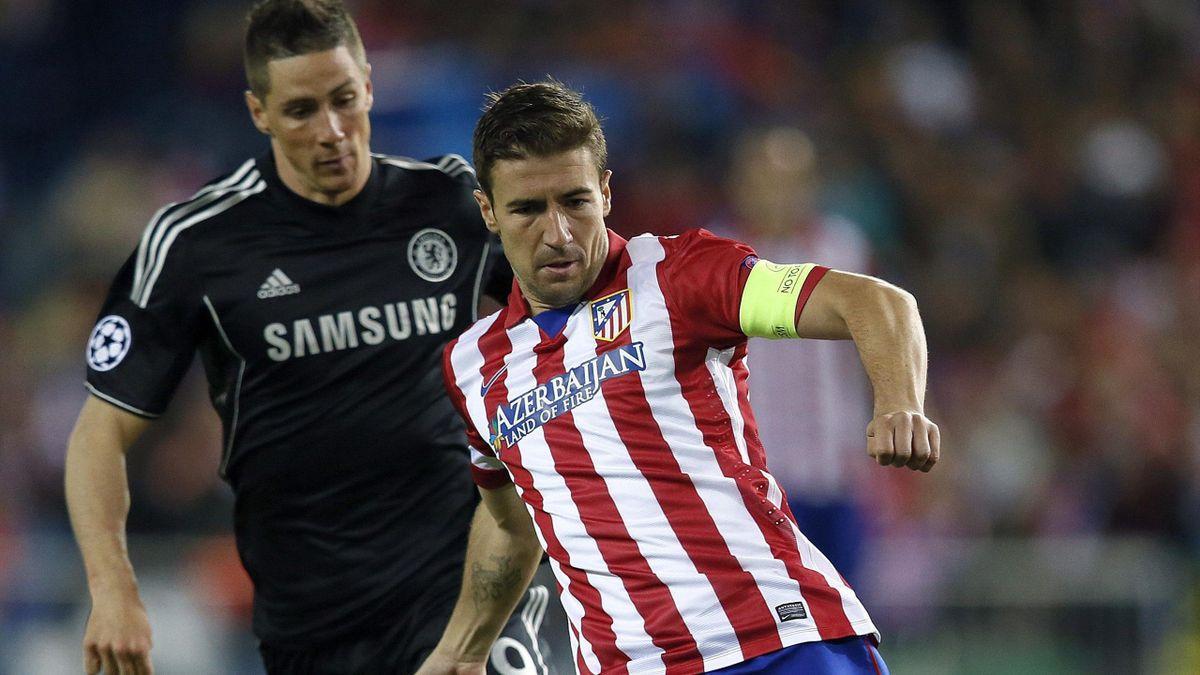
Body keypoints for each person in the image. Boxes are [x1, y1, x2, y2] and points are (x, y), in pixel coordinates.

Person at [64, 2, 567, 673]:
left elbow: (580, 301)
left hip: (462, 586)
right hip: (312, 620)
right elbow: (100, 431)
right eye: (302, 111)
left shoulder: (448, 202)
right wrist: (113, 587)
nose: (332, 130)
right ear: (258, 113)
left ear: (368, 83)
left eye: (344, 99)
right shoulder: (198, 242)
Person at [422, 81, 939, 674]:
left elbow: (874, 303)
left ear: (607, 193)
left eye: (575, 201)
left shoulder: (678, 276)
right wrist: (459, 651)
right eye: (527, 209)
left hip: (779, 643)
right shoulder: (471, 367)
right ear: (488, 210)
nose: (558, 233)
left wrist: (900, 403)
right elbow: (510, 523)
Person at [716, 126, 879, 584]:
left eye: (791, 179)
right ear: (740, 183)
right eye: (765, 177)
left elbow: (870, 348)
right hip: (757, 475)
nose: (778, 191)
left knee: (854, 608)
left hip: (837, 470)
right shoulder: (718, 254)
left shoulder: (841, 247)